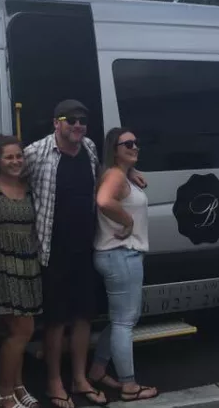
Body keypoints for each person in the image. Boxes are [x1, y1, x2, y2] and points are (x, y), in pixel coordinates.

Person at [22, 100, 106, 408]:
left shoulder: (90, 148)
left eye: (82, 120)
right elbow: (5, 174)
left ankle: (79, 378)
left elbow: (102, 176)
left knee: (84, 316)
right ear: (55, 122)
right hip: (52, 251)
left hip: (86, 248)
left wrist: (130, 172)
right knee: (56, 320)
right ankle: (54, 381)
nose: (77, 125)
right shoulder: (36, 153)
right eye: (70, 119)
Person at [87, 128, 159, 399]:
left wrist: (128, 172)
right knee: (124, 323)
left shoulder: (116, 174)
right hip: (121, 254)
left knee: (123, 319)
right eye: (127, 143)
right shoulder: (115, 176)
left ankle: (97, 369)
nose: (135, 146)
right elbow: (105, 200)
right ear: (114, 149)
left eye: (136, 142)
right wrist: (127, 221)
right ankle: (129, 385)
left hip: (118, 256)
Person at [0, 134, 44, 408]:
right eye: (9, 156)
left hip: (28, 265)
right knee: (22, 331)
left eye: (18, 156)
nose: (15, 161)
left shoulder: (29, 187)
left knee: (17, 334)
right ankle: (3, 392)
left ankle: (18, 386)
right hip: (1, 266)